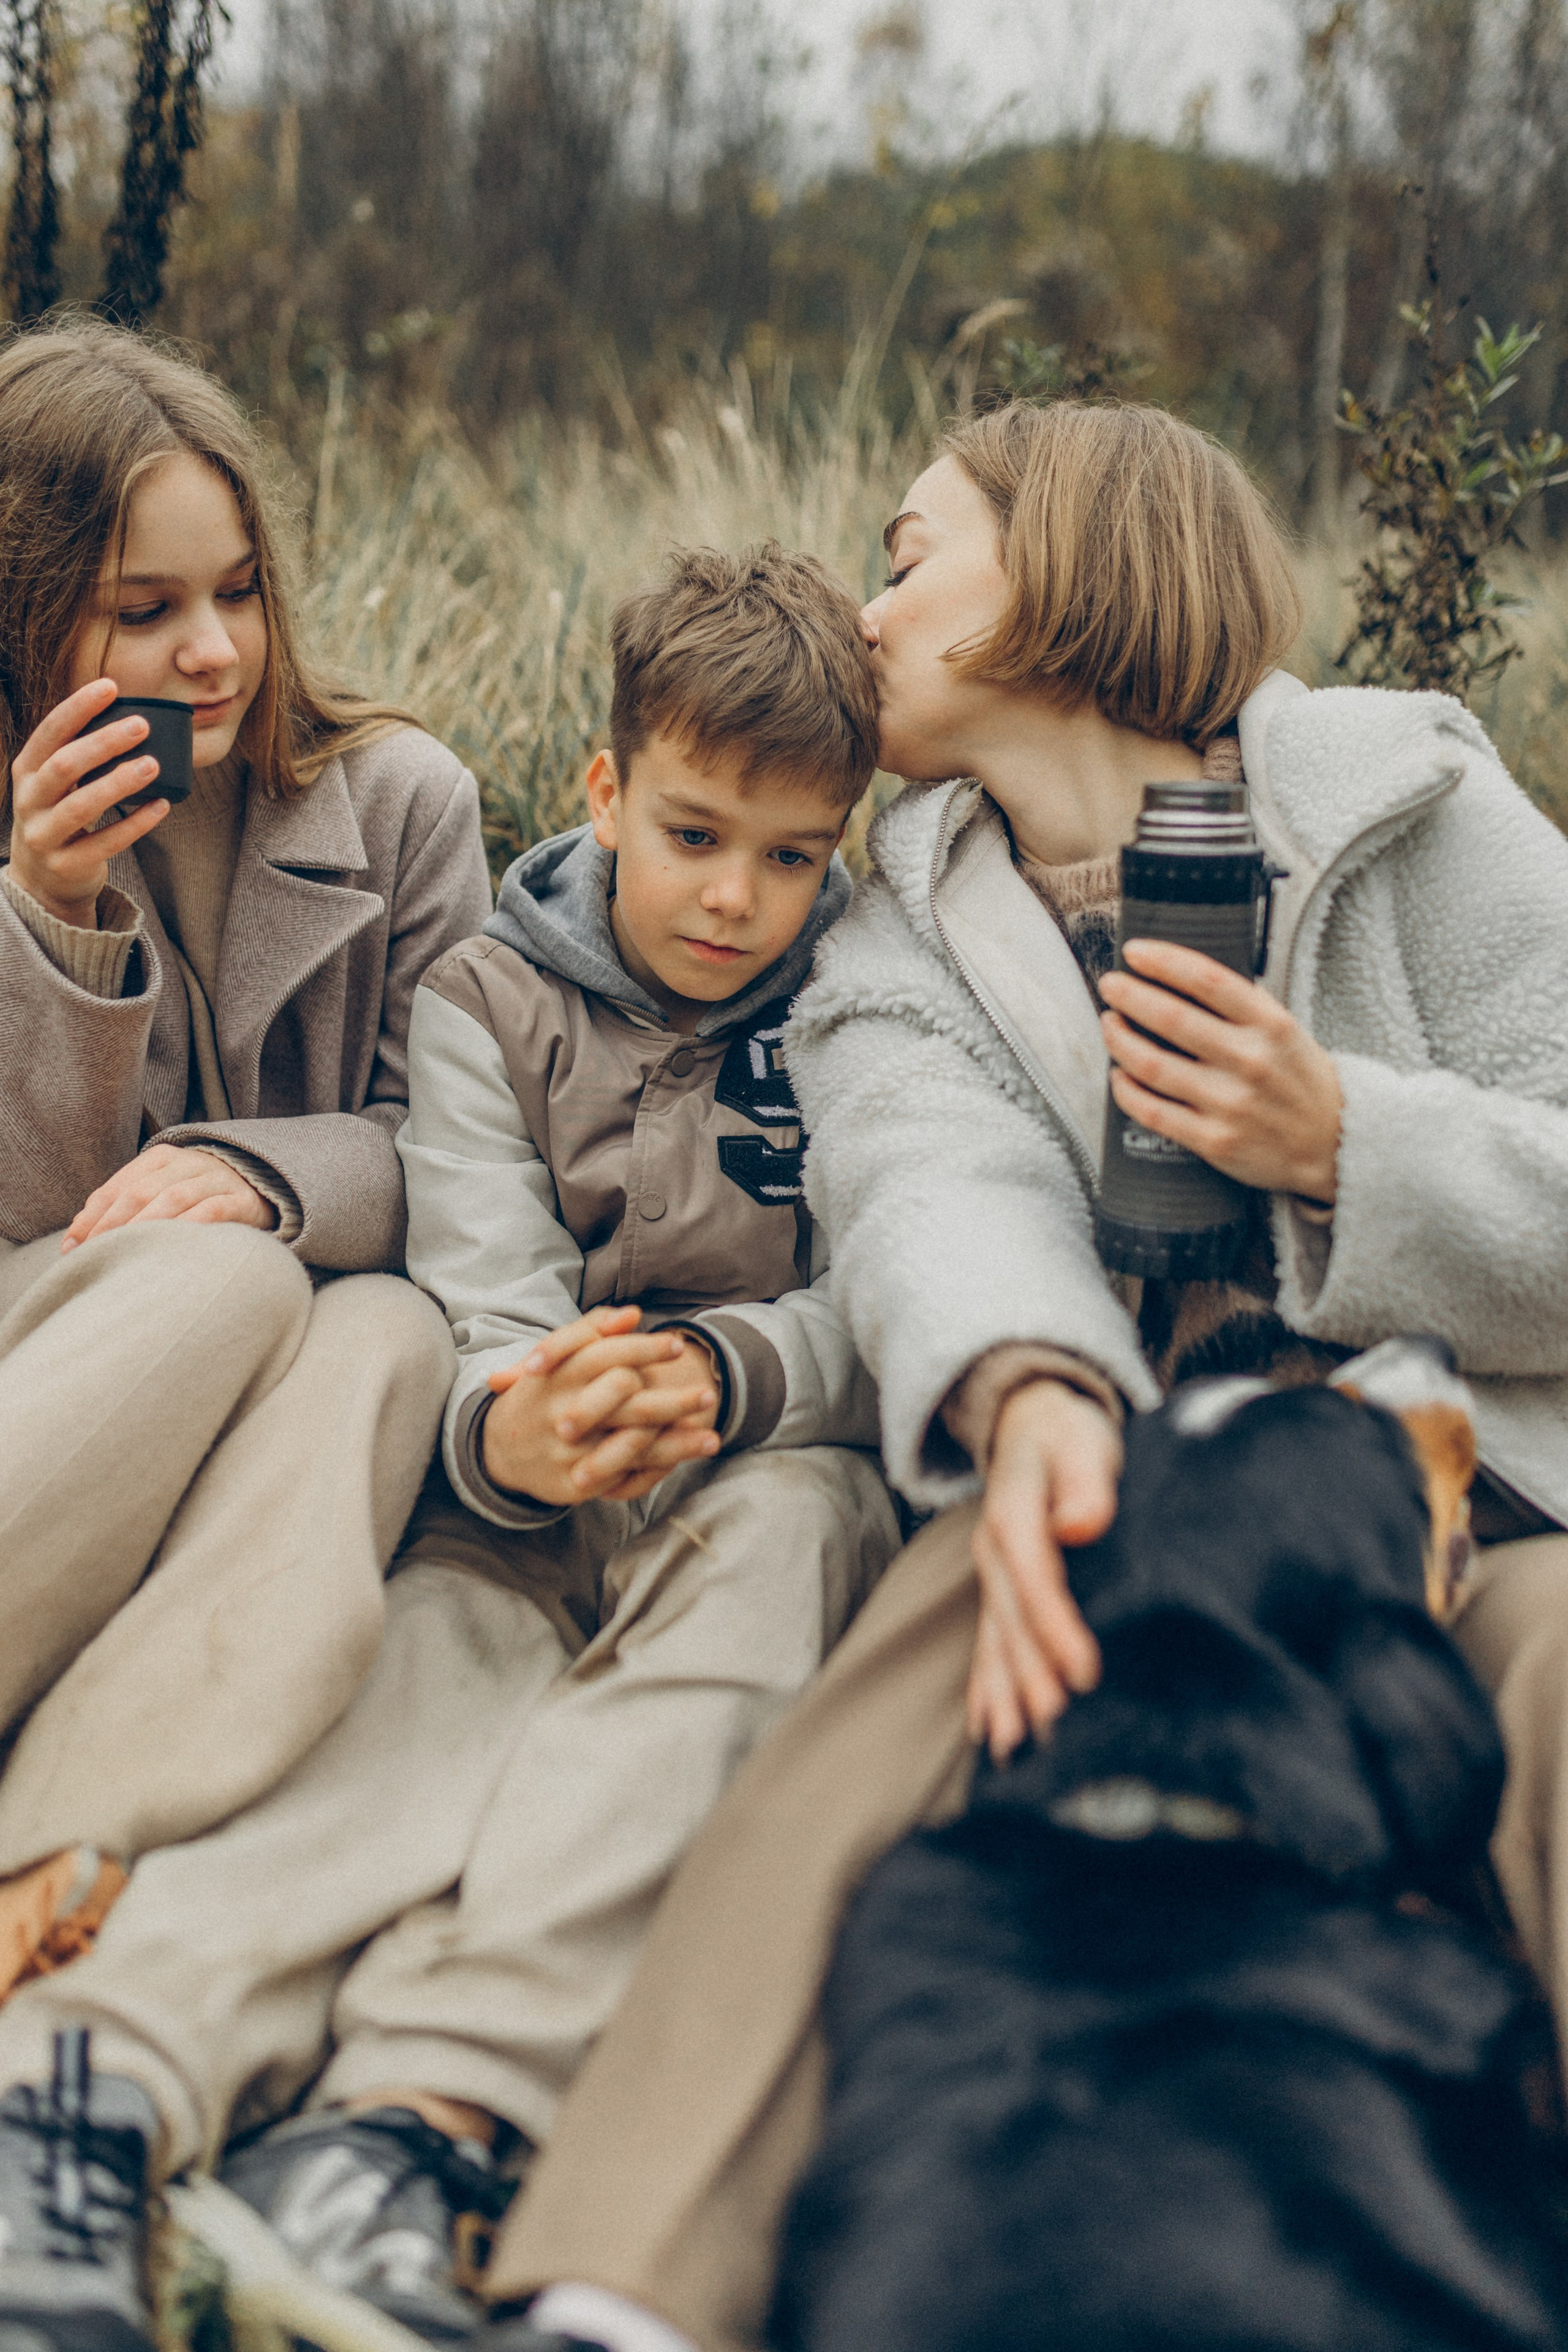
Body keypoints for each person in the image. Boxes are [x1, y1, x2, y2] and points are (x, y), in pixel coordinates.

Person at [482, 398, 1568, 2352]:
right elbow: (923, 1178)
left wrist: (1349, 1142)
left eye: (911, 552)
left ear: (1059, 562)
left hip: (1460, 1476)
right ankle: (623, 2283)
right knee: (945, 1636)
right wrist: (1028, 1387)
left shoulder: (1416, 805)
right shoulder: (897, 917)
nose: (868, 599)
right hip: (1113, 1464)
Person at [0, 543, 900, 2352]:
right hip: (515, 1494)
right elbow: (477, 1270)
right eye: (697, 834)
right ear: (604, 793)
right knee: (417, 1703)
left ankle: (407, 2128)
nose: (737, 900)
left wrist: (740, 1375)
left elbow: (890, 1289)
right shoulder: (490, 998)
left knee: (742, 1620)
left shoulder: (860, 1003)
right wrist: (517, 1423)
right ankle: (85, 2087)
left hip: (760, 1470)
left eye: (794, 857)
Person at [0, 320, 493, 1977]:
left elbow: (474, 1147)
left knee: (388, 1323)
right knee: (226, 1291)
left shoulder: (405, 804)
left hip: (294, 1357)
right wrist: (49, 919)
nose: (213, 651)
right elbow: (33, 1219)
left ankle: (65, 1837)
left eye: (240, 591)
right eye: (145, 611)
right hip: (52, 1364)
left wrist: (266, 1180)